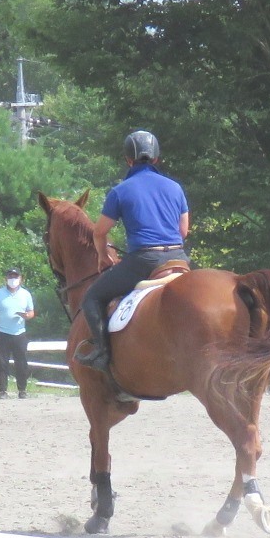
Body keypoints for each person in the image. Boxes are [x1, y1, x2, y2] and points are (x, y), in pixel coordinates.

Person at [76, 129, 189, 376]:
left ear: (128, 159)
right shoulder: (175, 188)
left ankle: (103, 353)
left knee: (92, 298)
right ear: (157, 158)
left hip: (144, 261)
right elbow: (184, 231)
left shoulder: (121, 191)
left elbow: (99, 232)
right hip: (178, 258)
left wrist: (103, 254)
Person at [0, 266, 37, 398]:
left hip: (19, 333)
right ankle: (3, 391)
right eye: (10, 276)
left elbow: (31, 312)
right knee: (1, 363)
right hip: (2, 333)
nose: (12, 279)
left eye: (15, 276)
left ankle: (22, 390)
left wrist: (27, 316)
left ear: (20, 278)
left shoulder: (26, 294)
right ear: (6, 278)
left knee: (21, 363)